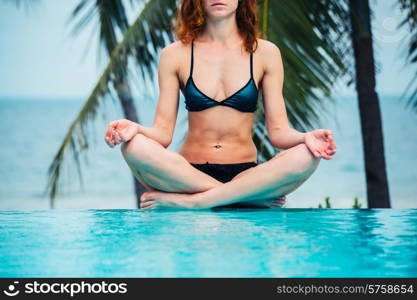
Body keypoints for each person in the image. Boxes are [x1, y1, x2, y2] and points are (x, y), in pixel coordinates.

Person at [104, 0, 336, 210]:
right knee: (133, 147)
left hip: (245, 174)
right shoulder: (175, 55)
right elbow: (163, 134)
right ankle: (240, 198)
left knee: (307, 155)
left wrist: (306, 137)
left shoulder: (266, 53)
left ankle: (197, 202)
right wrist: (135, 129)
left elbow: (279, 133)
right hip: (187, 174)